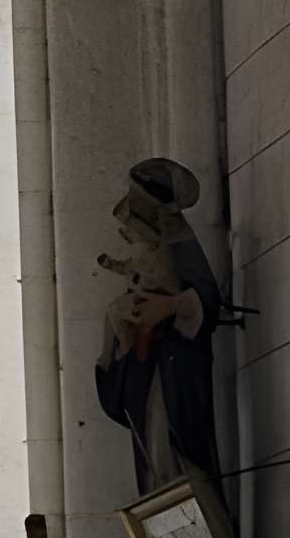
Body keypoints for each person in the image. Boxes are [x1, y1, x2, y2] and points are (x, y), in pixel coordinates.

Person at [94, 158, 225, 492]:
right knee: (153, 456)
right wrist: (116, 328)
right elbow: (116, 391)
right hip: (151, 366)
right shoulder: (144, 257)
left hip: (176, 371)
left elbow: (204, 300)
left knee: (177, 452)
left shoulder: (179, 247)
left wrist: (168, 306)